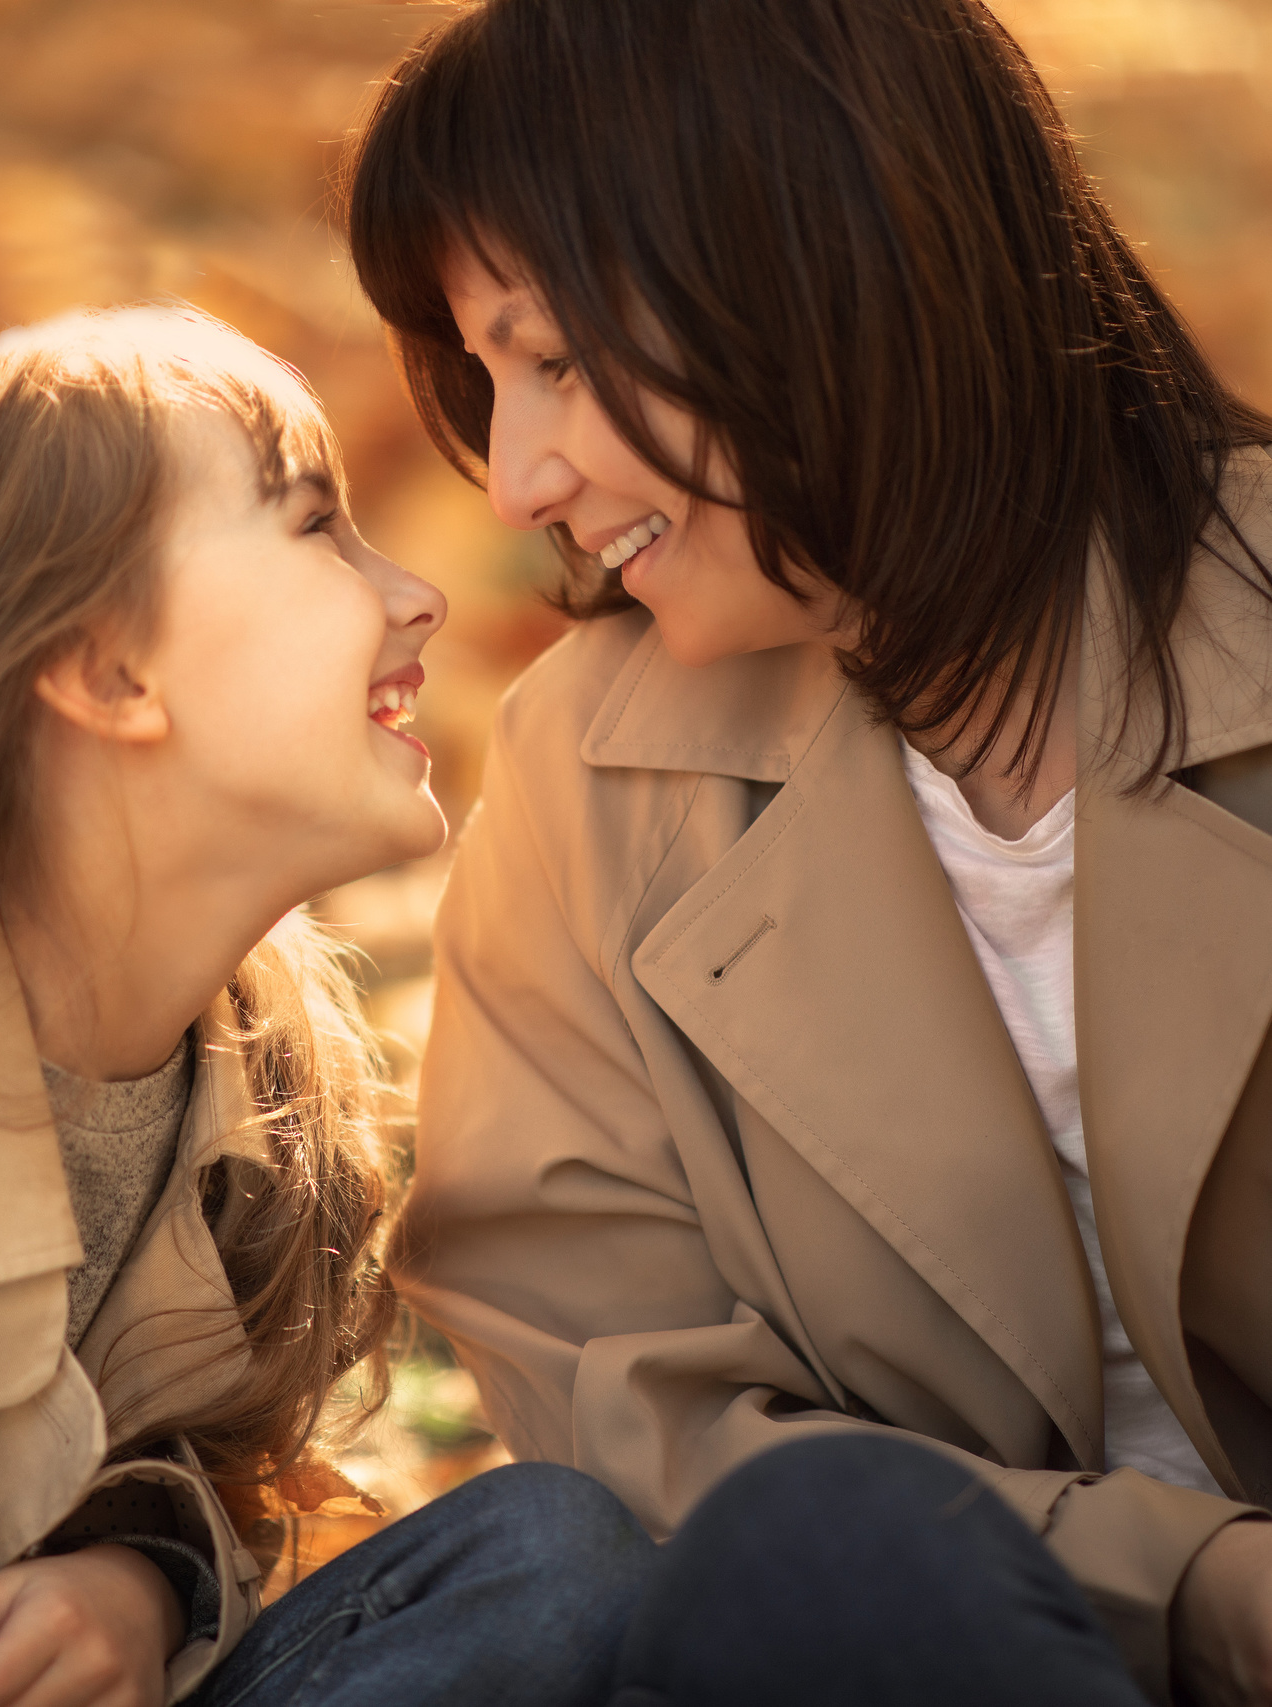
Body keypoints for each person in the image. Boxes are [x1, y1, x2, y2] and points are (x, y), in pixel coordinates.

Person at [344, 1, 1272, 1702]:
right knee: (826, 1543)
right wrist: (1209, 1591)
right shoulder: (583, 778)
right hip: (916, 1659)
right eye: (487, 382)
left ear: (804, 260)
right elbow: (642, 1439)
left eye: (550, 359)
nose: (515, 476)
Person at [0, 307, 654, 1706]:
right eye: (318, 526)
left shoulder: (257, 1089)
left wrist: (147, 1577)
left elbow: (225, 1471)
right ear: (105, 672)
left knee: (550, 1554)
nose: (417, 593)